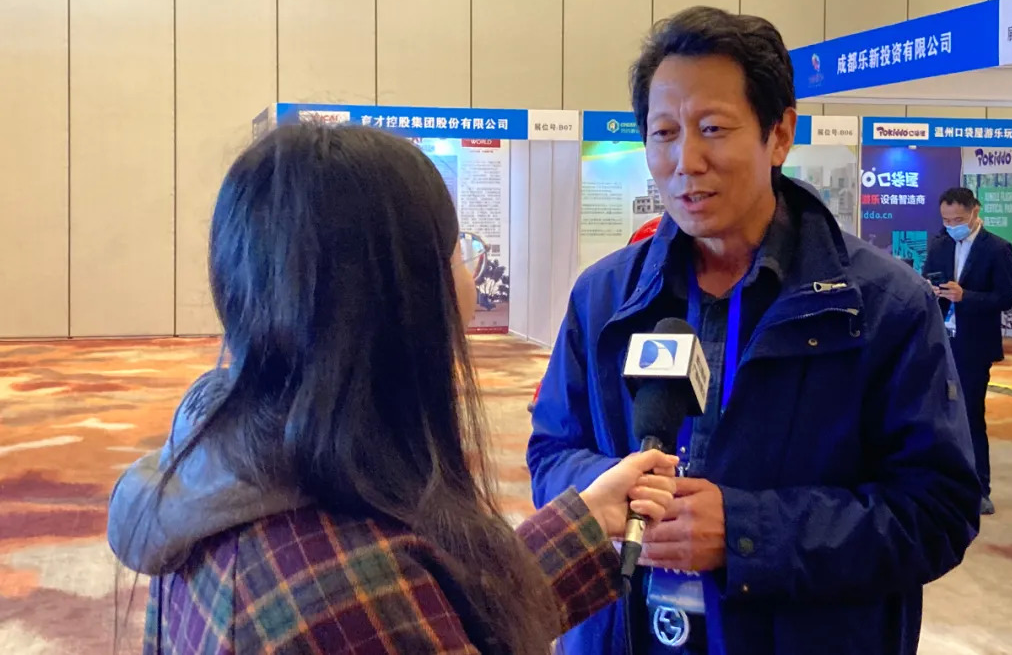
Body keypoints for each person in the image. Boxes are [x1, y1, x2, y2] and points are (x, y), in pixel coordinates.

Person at [107, 124, 680, 654]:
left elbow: (440, 606)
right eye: (459, 252)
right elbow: (395, 608)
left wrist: (584, 522)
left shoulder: (228, 469)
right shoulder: (350, 594)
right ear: (402, 298)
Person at [528, 6, 981, 655]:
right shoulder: (604, 298)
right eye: (663, 132)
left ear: (780, 134)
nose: (685, 160)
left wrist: (745, 533)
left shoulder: (882, 306)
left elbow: (937, 511)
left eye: (712, 128)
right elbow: (550, 452)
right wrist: (608, 495)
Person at [924, 187, 1012, 516]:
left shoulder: (997, 249)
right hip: (940, 340)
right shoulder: (939, 244)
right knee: (937, 413)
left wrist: (966, 297)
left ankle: (979, 488)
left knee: (970, 414)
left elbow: (1004, 298)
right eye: (946, 220)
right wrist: (930, 289)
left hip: (974, 344)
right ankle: (941, 483)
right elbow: (926, 278)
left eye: (958, 219)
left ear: (975, 212)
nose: (952, 226)